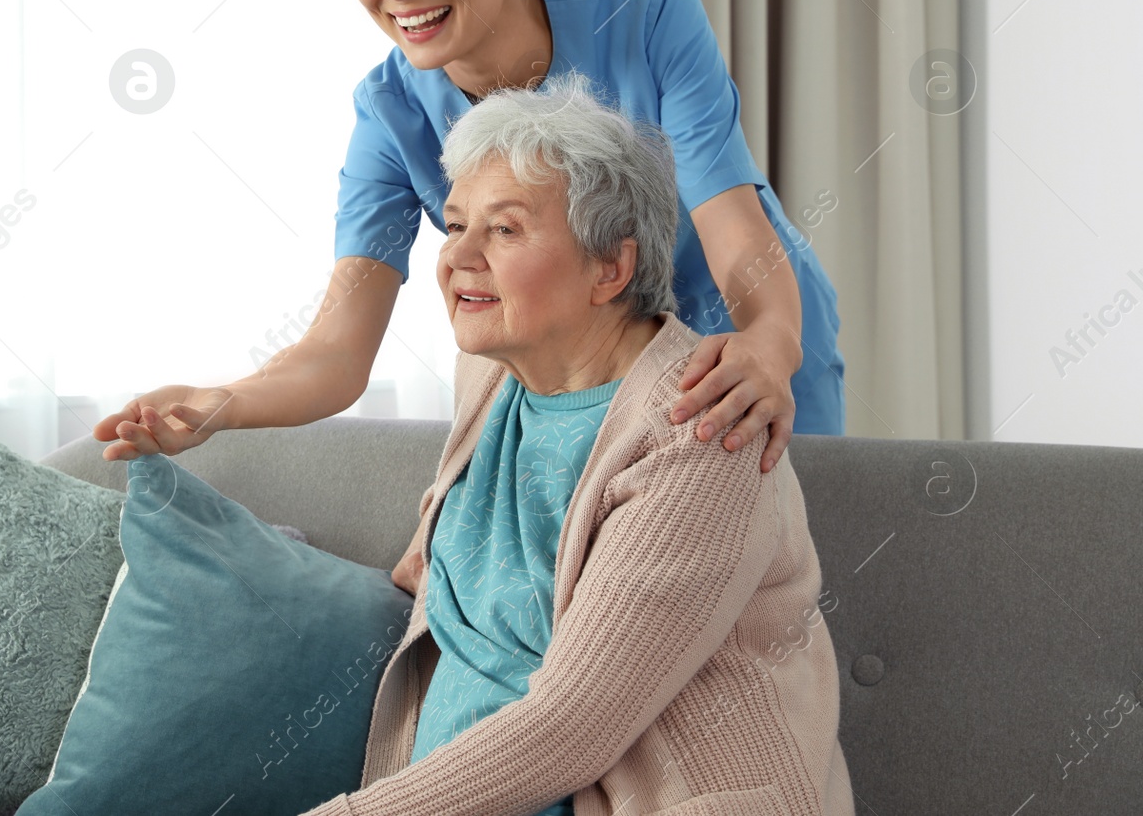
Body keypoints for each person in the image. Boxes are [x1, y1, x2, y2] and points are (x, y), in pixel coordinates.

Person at [95, 0, 843, 500]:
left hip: (738, 322)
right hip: (573, 368)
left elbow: (733, 224)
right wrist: (221, 402)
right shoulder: (391, 113)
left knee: (778, 584)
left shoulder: (645, 13)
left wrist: (771, 341)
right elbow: (337, 347)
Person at [298, 73, 853, 816]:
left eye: (504, 228)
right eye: (455, 223)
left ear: (611, 268)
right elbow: (478, 544)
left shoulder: (702, 429)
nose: (460, 255)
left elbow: (570, 725)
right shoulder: (493, 371)